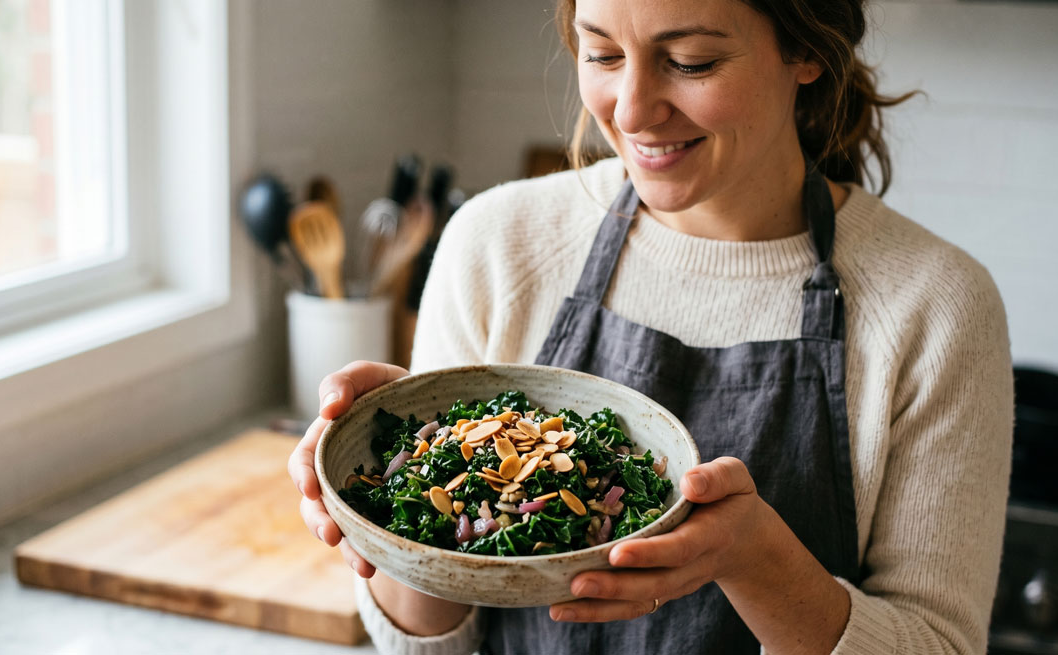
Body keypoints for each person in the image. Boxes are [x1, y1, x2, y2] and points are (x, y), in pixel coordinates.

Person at [287, 0, 1013, 652]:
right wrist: (396, 483)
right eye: (601, 53)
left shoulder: (935, 307)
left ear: (807, 48)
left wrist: (754, 559)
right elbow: (430, 637)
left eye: (690, 62)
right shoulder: (495, 243)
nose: (631, 111)